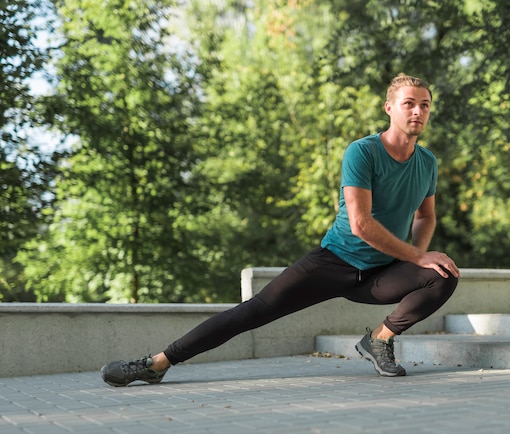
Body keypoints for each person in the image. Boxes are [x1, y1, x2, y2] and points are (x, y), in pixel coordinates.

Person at [101, 73, 460, 386]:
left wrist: (421, 259)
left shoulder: (427, 162)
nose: (418, 111)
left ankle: (379, 340)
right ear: (389, 108)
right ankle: (156, 364)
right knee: (251, 312)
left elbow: (425, 216)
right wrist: (417, 255)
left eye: (425, 105)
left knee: (443, 273)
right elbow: (360, 224)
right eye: (409, 103)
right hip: (334, 262)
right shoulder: (362, 152)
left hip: (382, 272)